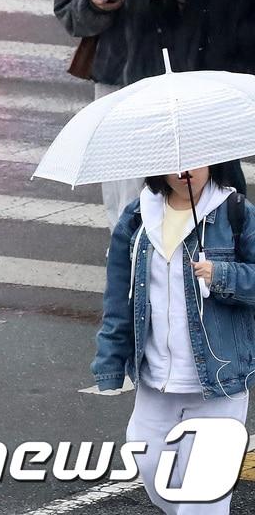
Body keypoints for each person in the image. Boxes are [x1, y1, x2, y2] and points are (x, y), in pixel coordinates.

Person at [94, 164, 255, 515]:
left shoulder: (236, 213)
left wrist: (222, 275)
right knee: (150, 465)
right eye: (174, 162)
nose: (185, 170)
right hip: (156, 379)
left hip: (219, 381)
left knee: (203, 498)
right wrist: (109, 358)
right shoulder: (138, 217)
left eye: (197, 159)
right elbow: (118, 295)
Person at [54, 0, 181, 229]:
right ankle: (122, 238)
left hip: (152, 71)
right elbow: (65, 2)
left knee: (145, 163)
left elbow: (185, 12)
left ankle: (147, 236)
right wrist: (90, 6)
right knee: (112, 161)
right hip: (109, 70)